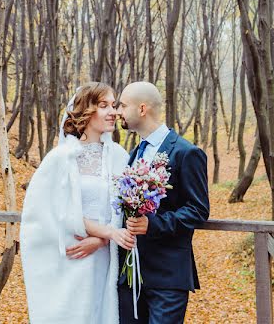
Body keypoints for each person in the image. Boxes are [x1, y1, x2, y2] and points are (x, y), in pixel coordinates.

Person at [20, 82, 135, 323]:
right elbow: (53, 211)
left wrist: (103, 239)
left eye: (114, 105)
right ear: (86, 110)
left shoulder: (120, 157)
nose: (113, 111)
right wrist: (107, 233)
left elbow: (127, 211)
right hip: (72, 256)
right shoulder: (61, 158)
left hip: (107, 259)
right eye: (104, 105)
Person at [116, 81, 211, 323]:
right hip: (132, 274)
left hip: (168, 276)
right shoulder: (134, 154)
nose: (118, 111)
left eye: (123, 105)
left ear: (142, 109)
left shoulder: (186, 153)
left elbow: (198, 210)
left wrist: (153, 224)